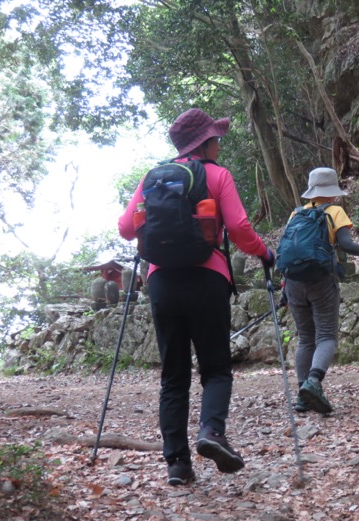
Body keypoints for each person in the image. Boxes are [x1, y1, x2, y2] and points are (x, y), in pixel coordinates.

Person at [118, 108, 275, 486]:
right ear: (204, 143)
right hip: (207, 278)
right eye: (215, 139)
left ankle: (177, 465)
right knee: (216, 367)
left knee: (173, 376)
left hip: (162, 283)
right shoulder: (217, 175)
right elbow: (238, 227)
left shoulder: (152, 178)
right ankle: (211, 432)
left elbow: (125, 228)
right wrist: (265, 253)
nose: (219, 144)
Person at [284, 167, 359, 415]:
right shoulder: (335, 212)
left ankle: (302, 396)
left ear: (312, 191)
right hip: (322, 279)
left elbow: (288, 251)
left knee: (305, 337)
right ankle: (313, 382)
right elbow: (346, 245)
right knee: (326, 336)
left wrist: (285, 289)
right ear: (333, 192)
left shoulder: (296, 214)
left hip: (293, 282)